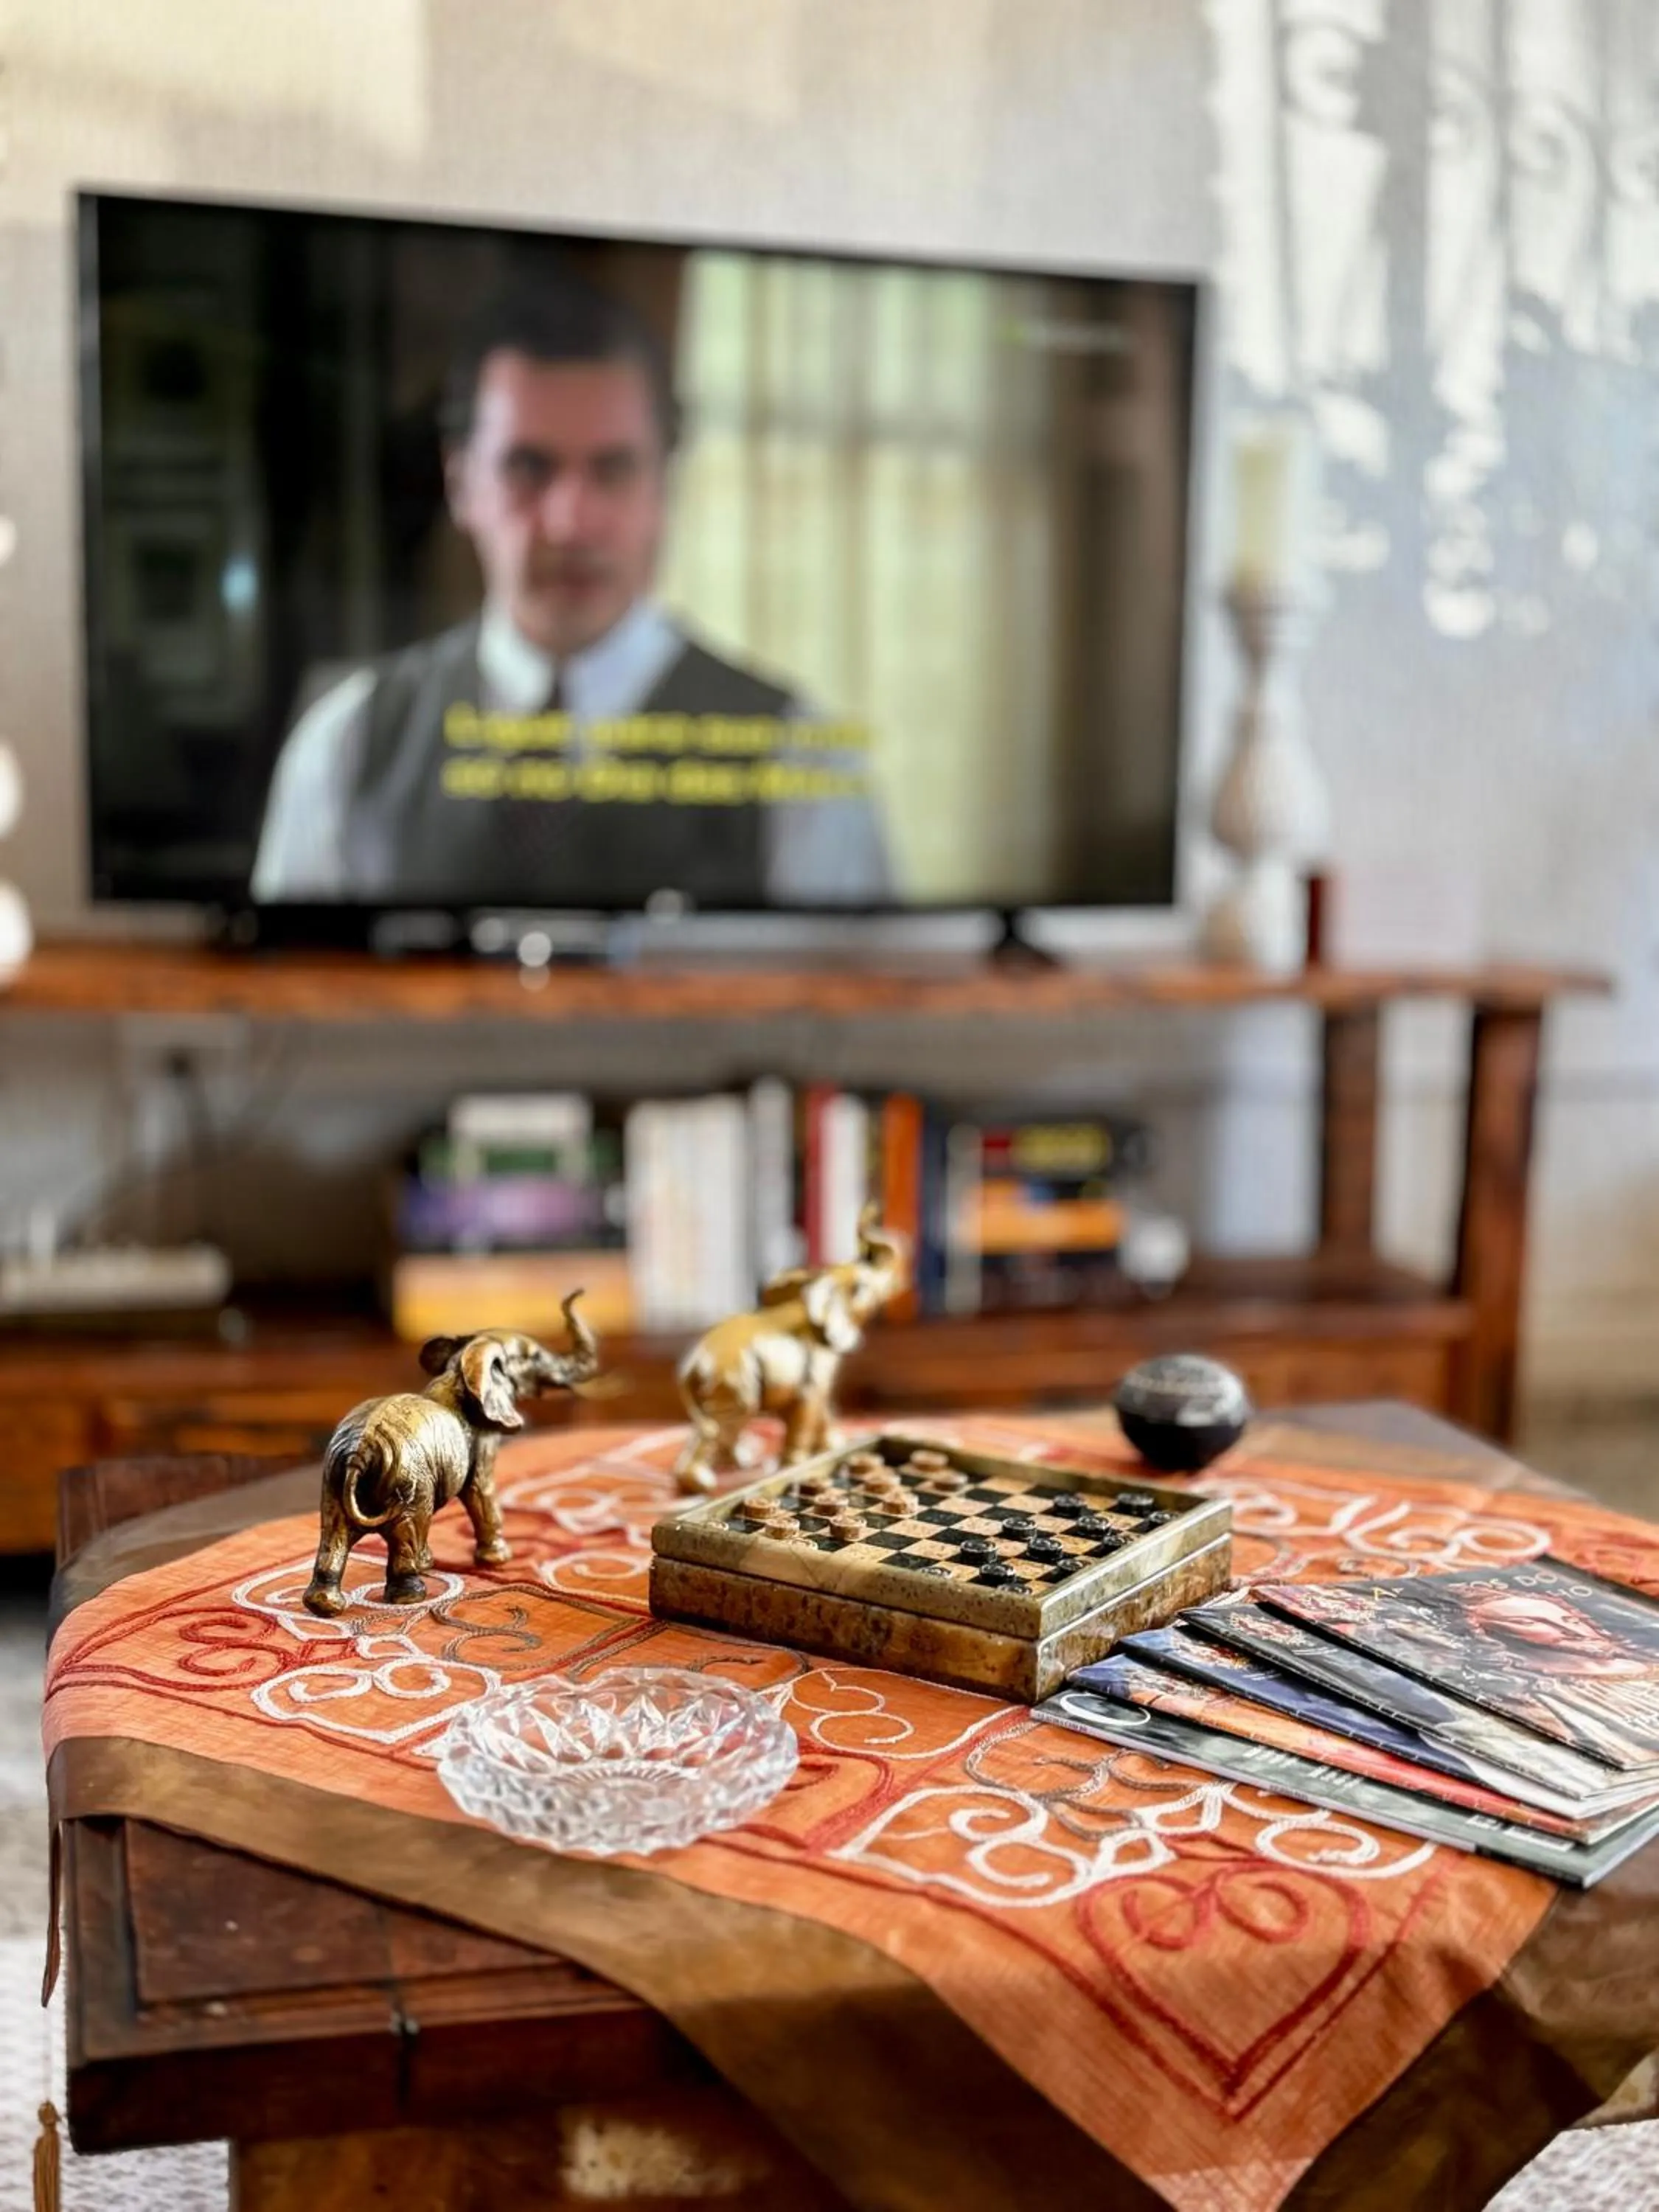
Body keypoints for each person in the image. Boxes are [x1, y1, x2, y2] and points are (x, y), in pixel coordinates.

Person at [251, 280, 891, 908]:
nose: (570, 522)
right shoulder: (349, 743)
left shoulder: (802, 763)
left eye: (612, 470)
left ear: (664, 488)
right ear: (461, 482)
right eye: (528, 468)